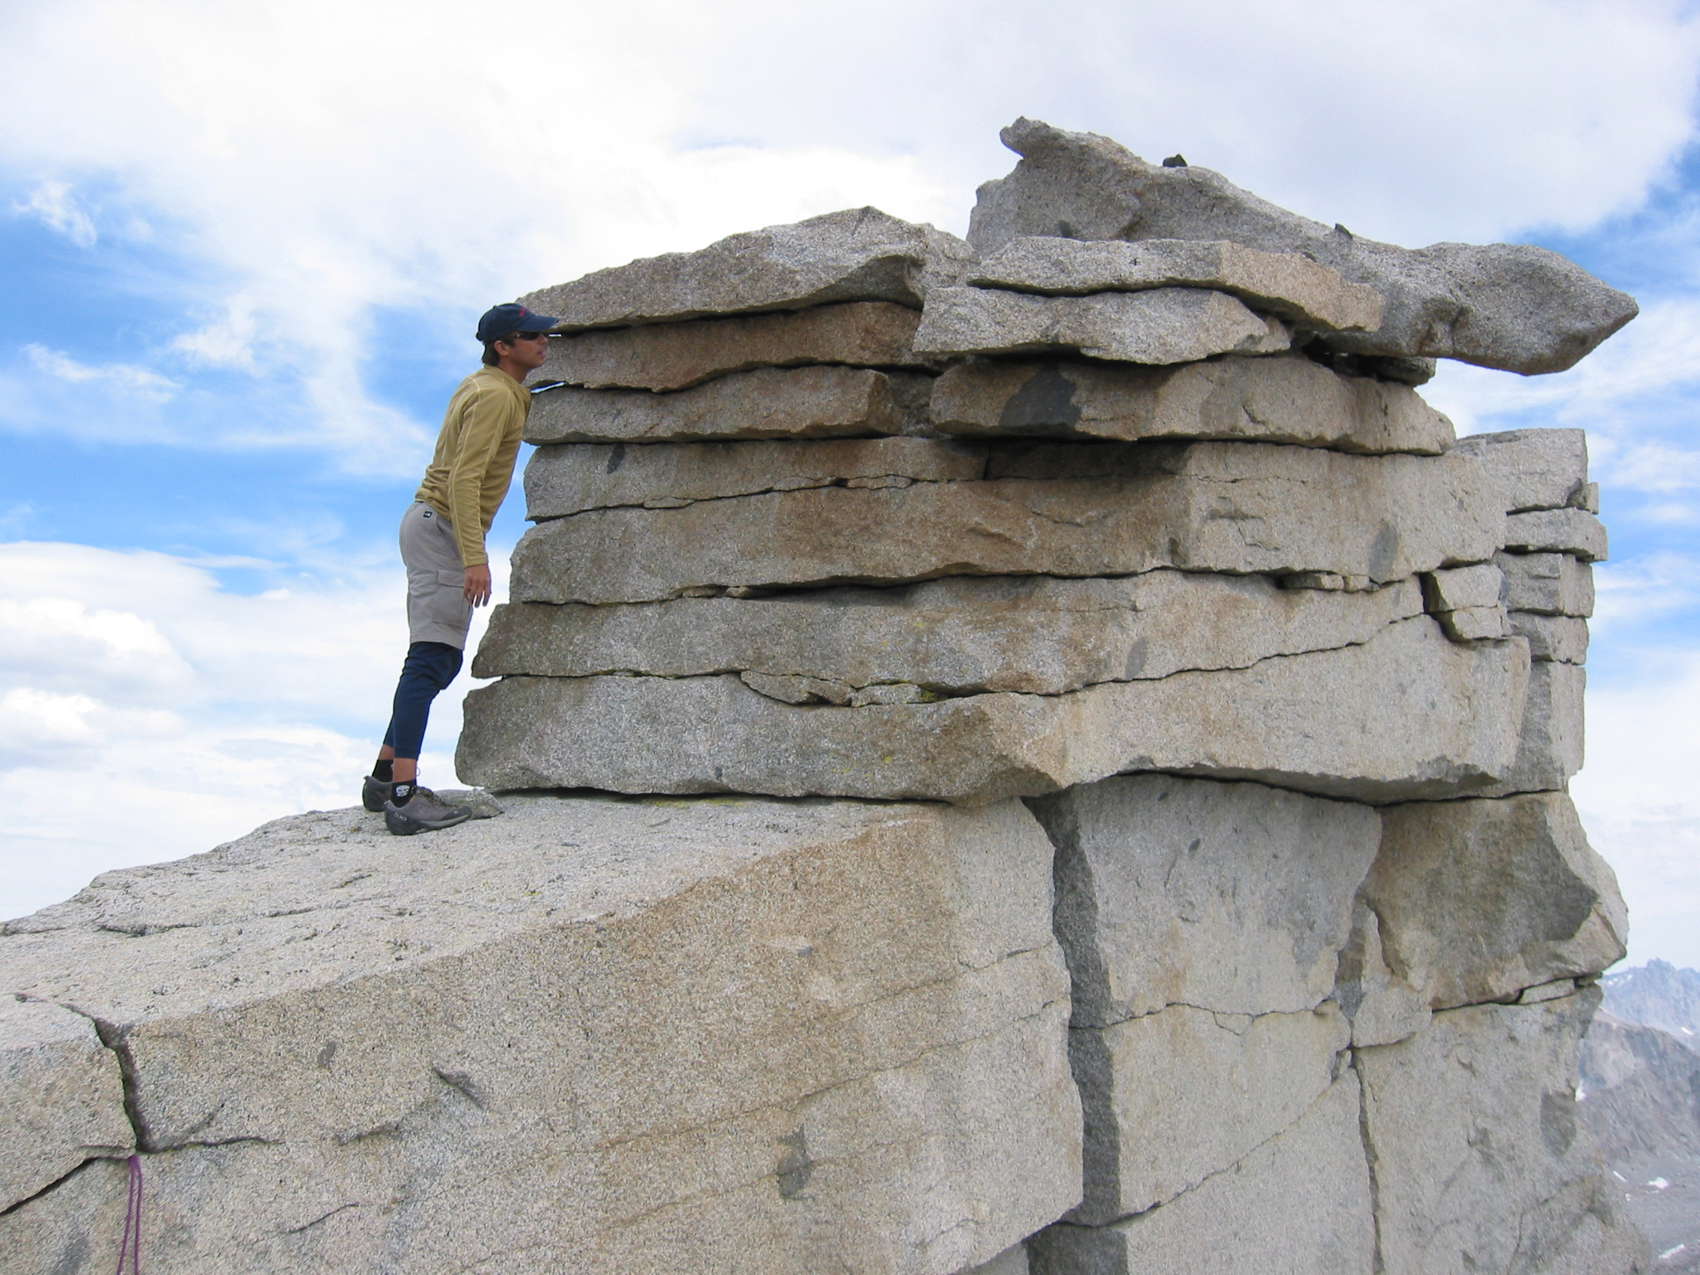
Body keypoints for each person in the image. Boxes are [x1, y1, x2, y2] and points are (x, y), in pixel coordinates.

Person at [363, 302, 559, 835]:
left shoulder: (489, 387)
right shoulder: (495, 396)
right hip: (444, 529)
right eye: (531, 336)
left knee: (440, 661)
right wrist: (475, 557)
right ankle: (403, 798)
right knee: (429, 662)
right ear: (503, 346)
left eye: (543, 335)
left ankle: (383, 778)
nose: (544, 342)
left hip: (432, 524)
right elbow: (465, 479)